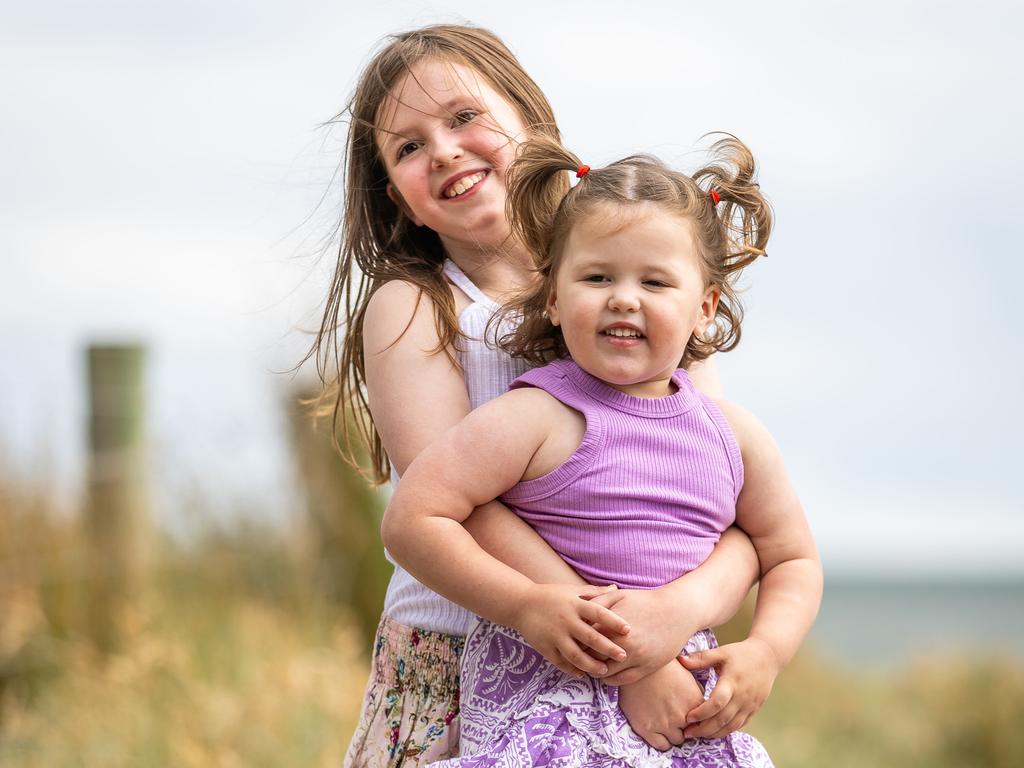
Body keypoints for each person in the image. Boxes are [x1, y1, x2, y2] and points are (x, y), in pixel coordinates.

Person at [312, 24, 764, 766]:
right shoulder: (417, 305)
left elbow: (726, 496)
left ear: (532, 119)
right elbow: (453, 501)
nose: (446, 151)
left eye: (463, 117)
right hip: (464, 653)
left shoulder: (632, 283)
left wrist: (678, 618)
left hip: (651, 655)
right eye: (409, 147)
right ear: (399, 199)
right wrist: (628, 653)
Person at [382, 134, 823, 766]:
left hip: (680, 707)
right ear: (555, 298)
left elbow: (792, 557)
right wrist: (526, 604)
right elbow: (412, 519)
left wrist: (766, 651)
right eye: (597, 276)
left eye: (654, 280)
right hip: (543, 703)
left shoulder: (733, 436)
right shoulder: (536, 415)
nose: (624, 296)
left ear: (704, 308)